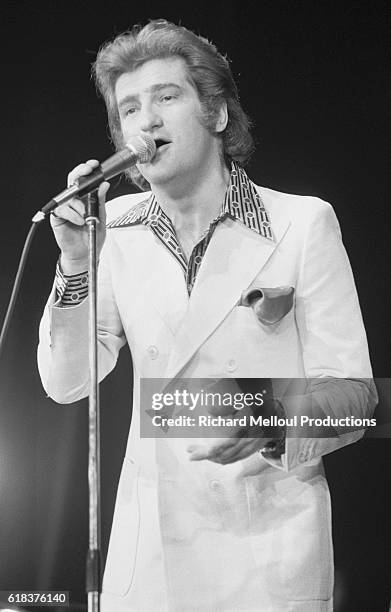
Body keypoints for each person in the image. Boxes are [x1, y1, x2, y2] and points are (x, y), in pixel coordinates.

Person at [37, 19, 377, 612]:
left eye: (167, 97)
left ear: (216, 114)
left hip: (264, 563)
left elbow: (358, 397)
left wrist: (269, 416)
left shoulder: (302, 223)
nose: (146, 120)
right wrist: (74, 264)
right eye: (130, 109)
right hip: (148, 564)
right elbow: (67, 382)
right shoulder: (113, 231)